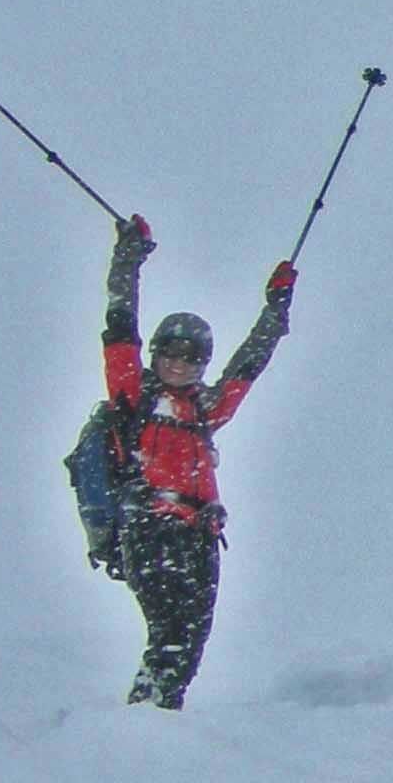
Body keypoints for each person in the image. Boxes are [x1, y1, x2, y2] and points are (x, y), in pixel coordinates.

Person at [98, 211, 293, 709]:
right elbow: (120, 328)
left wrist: (276, 310)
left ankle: (157, 709)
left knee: (192, 635)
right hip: (148, 523)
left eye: (190, 359)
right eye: (170, 355)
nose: (179, 365)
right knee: (170, 630)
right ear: (157, 355)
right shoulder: (133, 397)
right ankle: (146, 718)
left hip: (198, 534)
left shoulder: (205, 409)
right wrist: (128, 258)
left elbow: (247, 366)